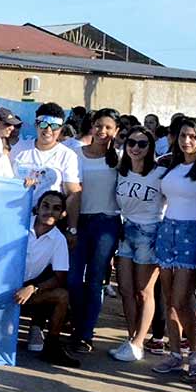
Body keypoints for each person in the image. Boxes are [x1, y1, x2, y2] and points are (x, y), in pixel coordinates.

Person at [151, 117, 196, 375]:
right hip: (167, 230)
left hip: (193, 233)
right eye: (183, 135)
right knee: (168, 298)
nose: (187, 141)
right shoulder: (170, 165)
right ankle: (175, 352)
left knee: (182, 299)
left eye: (193, 137)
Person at [68, 108, 122, 352]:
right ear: (91, 127)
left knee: (95, 280)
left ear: (116, 131)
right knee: (73, 278)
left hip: (106, 224)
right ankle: (75, 324)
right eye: (98, 126)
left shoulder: (121, 159)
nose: (102, 131)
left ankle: (85, 333)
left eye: (108, 127)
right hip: (78, 222)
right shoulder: (74, 154)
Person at [110, 126, 164, 361]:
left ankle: (140, 341)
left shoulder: (160, 173)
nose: (135, 148)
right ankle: (132, 339)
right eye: (132, 142)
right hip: (126, 230)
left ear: (150, 147)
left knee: (144, 291)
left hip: (149, 232)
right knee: (126, 289)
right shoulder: (120, 172)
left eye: (142, 144)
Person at [14, 191, 80, 367]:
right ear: (37, 207)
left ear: (62, 214)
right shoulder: (16, 225)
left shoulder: (59, 240)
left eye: (56, 208)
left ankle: (52, 347)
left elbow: (60, 277)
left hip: (26, 291)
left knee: (62, 295)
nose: (49, 211)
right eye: (46, 206)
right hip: (0, 285)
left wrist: (33, 288)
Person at [10, 102, 81, 213]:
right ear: (36, 124)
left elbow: (72, 193)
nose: (48, 130)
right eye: (43, 124)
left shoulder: (68, 155)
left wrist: (71, 227)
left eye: (54, 126)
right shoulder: (19, 148)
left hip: (47, 219)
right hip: (13, 212)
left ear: (61, 128)